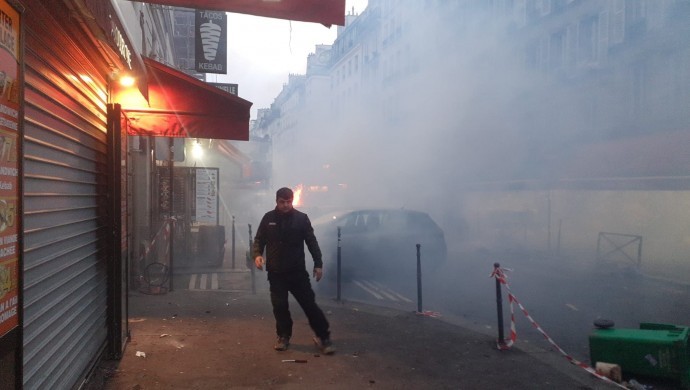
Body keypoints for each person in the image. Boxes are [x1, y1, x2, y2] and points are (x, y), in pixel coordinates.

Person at [252, 187, 335, 354]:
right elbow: (259, 240)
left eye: (288, 201)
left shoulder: (301, 219)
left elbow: (312, 243)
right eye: (282, 202)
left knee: (309, 305)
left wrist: (318, 264)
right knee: (279, 306)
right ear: (276, 201)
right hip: (276, 272)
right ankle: (283, 336)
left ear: (292, 200)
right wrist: (257, 255)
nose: (285, 205)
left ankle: (323, 337)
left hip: (297, 273)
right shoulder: (268, 219)